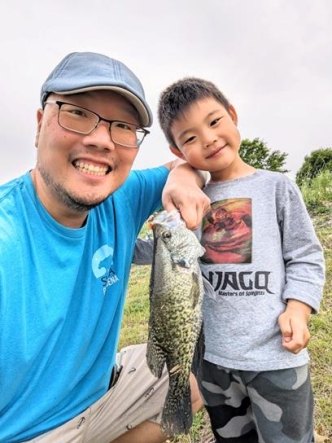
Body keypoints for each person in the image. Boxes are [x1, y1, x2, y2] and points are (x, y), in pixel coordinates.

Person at [0, 52, 210, 443]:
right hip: (27, 433)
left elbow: (189, 162)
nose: (100, 140)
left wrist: (182, 175)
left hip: (98, 399)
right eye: (77, 113)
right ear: (39, 123)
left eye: (123, 126)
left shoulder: (120, 195)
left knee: (189, 381)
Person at [157, 77, 325, 443]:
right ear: (178, 149)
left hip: (277, 358)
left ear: (233, 116)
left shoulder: (277, 186)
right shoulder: (187, 200)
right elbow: (160, 251)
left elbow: (305, 256)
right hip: (215, 363)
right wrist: (177, 179)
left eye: (215, 122)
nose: (208, 139)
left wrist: (297, 309)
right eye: (190, 138)